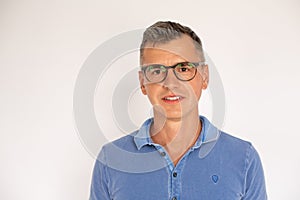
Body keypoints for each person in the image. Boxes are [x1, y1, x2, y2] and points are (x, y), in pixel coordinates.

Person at [90, 21, 267, 200]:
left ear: (204, 76)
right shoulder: (110, 160)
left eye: (183, 69)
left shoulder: (243, 158)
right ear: (143, 82)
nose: (171, 83)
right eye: (157, 71)